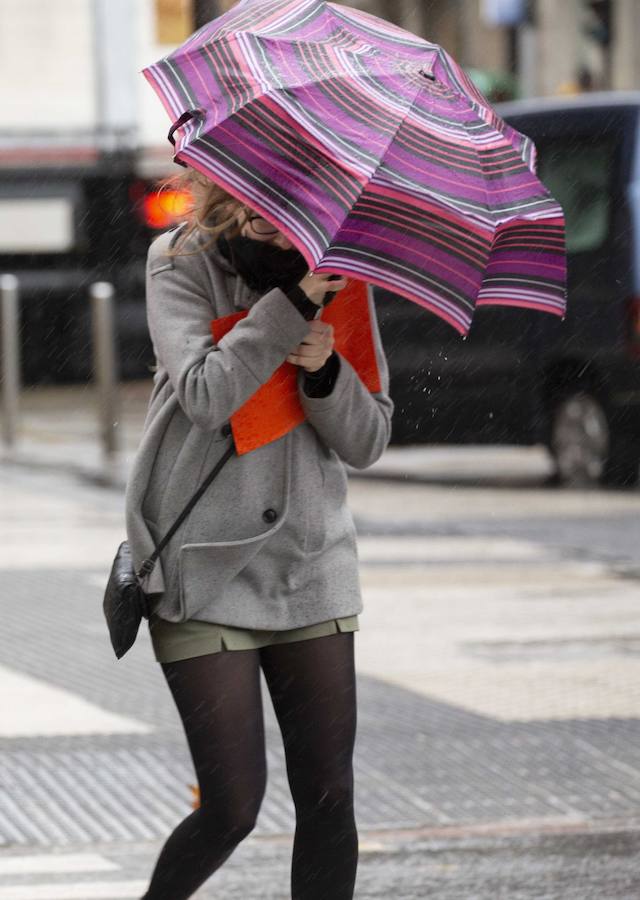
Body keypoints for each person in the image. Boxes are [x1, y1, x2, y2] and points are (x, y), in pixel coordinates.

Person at [125, 172, 393, 900]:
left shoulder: (346, 278)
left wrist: (327, 371)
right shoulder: (180, 261)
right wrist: (291, 307)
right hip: (203, 570)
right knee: (232, 808)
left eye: (296, 209)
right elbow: (208, 395)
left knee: (330, 798)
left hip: (312, 564)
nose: (279, 224)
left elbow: (369, 439)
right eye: (264, 209)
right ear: (229, 189)